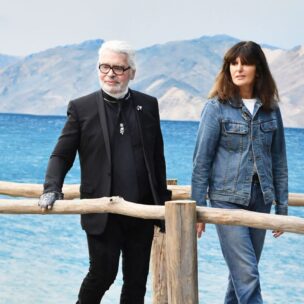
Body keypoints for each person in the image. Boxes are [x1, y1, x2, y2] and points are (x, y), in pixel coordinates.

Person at [38, 40, 171, 304]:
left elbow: (157, 158)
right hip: (102, 211)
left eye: (119, 68)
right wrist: (52, 188)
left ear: (131, 72)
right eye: (105, 66)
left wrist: (163, 205)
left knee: (135, 284)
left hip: (142, 211)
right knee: (102, 274)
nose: (111, 73)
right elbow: (61, 155)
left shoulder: (148, 105)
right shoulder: (81, 108)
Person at [191, 41, 288, 304]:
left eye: (245, 63)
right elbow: (201, 162)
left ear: (259, 69)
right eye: (234, 63)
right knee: (247, 275)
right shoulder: (216, 108)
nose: (239, 68)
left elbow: (278, 160)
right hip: (226, 200)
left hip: (262, 200)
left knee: (242, 276)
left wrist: (282, 208)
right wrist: (199, 208)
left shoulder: (271, 109)